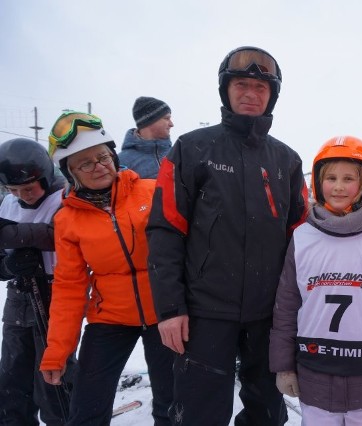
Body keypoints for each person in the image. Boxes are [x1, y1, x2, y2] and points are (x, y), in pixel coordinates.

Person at [146, 46, 308, 425]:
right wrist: (170, 309)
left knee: (267, 413)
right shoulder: (191, 148)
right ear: (226, 90)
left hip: (269, 315)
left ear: (272, 95)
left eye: (260, 86)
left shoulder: (287, 160)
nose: (250, 93)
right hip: (204, 313)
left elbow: (301, 240)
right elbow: (165, 230)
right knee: (200, 414)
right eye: (241, 84)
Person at [39, 111, 174, 425]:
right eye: (85, 163)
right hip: (109, 318)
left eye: (102, 157)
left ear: (113, 156)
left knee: (172, 406)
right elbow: (69, 288)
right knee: (87, 408)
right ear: (70, 173)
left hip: (164, 313)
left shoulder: (152, 192)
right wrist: (57, 352)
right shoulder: (67, 219)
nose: (98, 166)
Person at [270, 136, 362, 425]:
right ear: (318, 183)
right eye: (330, 177)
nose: (338, 186)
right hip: (315, 376)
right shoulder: (302, 237)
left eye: (349, 178)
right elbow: (286, 306)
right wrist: (284, 367)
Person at [0, 138, 75, 426]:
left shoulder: (65, 199)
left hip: (54, 296)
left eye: (29, 188)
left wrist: (10, 234)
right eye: (14, 189)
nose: (23, 195)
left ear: (44, 177)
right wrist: (9, 264)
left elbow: (55, 235)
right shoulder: (9, 205)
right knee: (12, 377)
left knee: (54, 376)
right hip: (18, 299)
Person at [118, 96, 173, 178]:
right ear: (150, 121)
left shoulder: (177, 154)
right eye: (166, 118)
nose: (171, 124)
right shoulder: (122, 162)